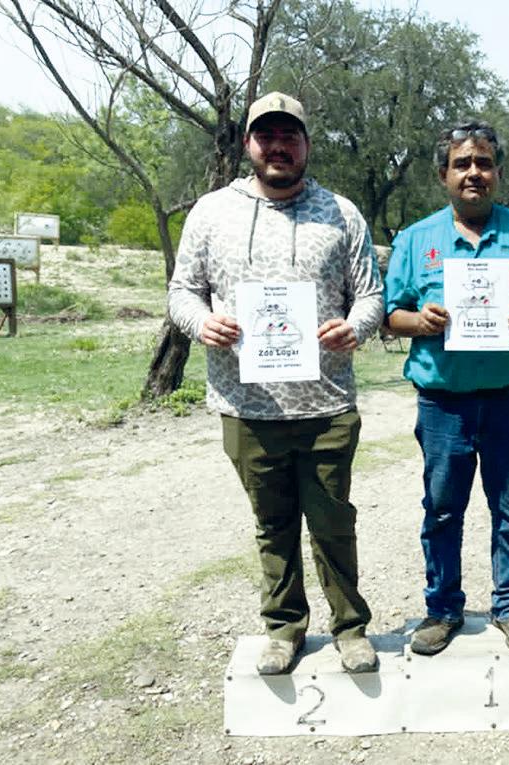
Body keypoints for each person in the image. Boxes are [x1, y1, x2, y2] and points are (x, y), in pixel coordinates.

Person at [168, 92, 383, 675]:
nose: (278, 146)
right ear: (249, 144)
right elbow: (182, 291)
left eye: (290, 136)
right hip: (247, 405)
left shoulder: (342, 213)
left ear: (306, 144)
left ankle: (350, 628)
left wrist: (356, 326)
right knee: (273, 525)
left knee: (333, 522)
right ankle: (284, 628)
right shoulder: (212, 212)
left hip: (326, 404)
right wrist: (201, 322)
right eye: (267, 136)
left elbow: (369, 295)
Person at [384, 121, 509, 656]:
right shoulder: (416, 240)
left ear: (498, 172)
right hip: (443, 401)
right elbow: (389, 316)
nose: (474, 173)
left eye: (484, 163)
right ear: (443, 175)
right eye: (462, 164)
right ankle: (442, 609)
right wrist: (419, 321)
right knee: (442, 508)